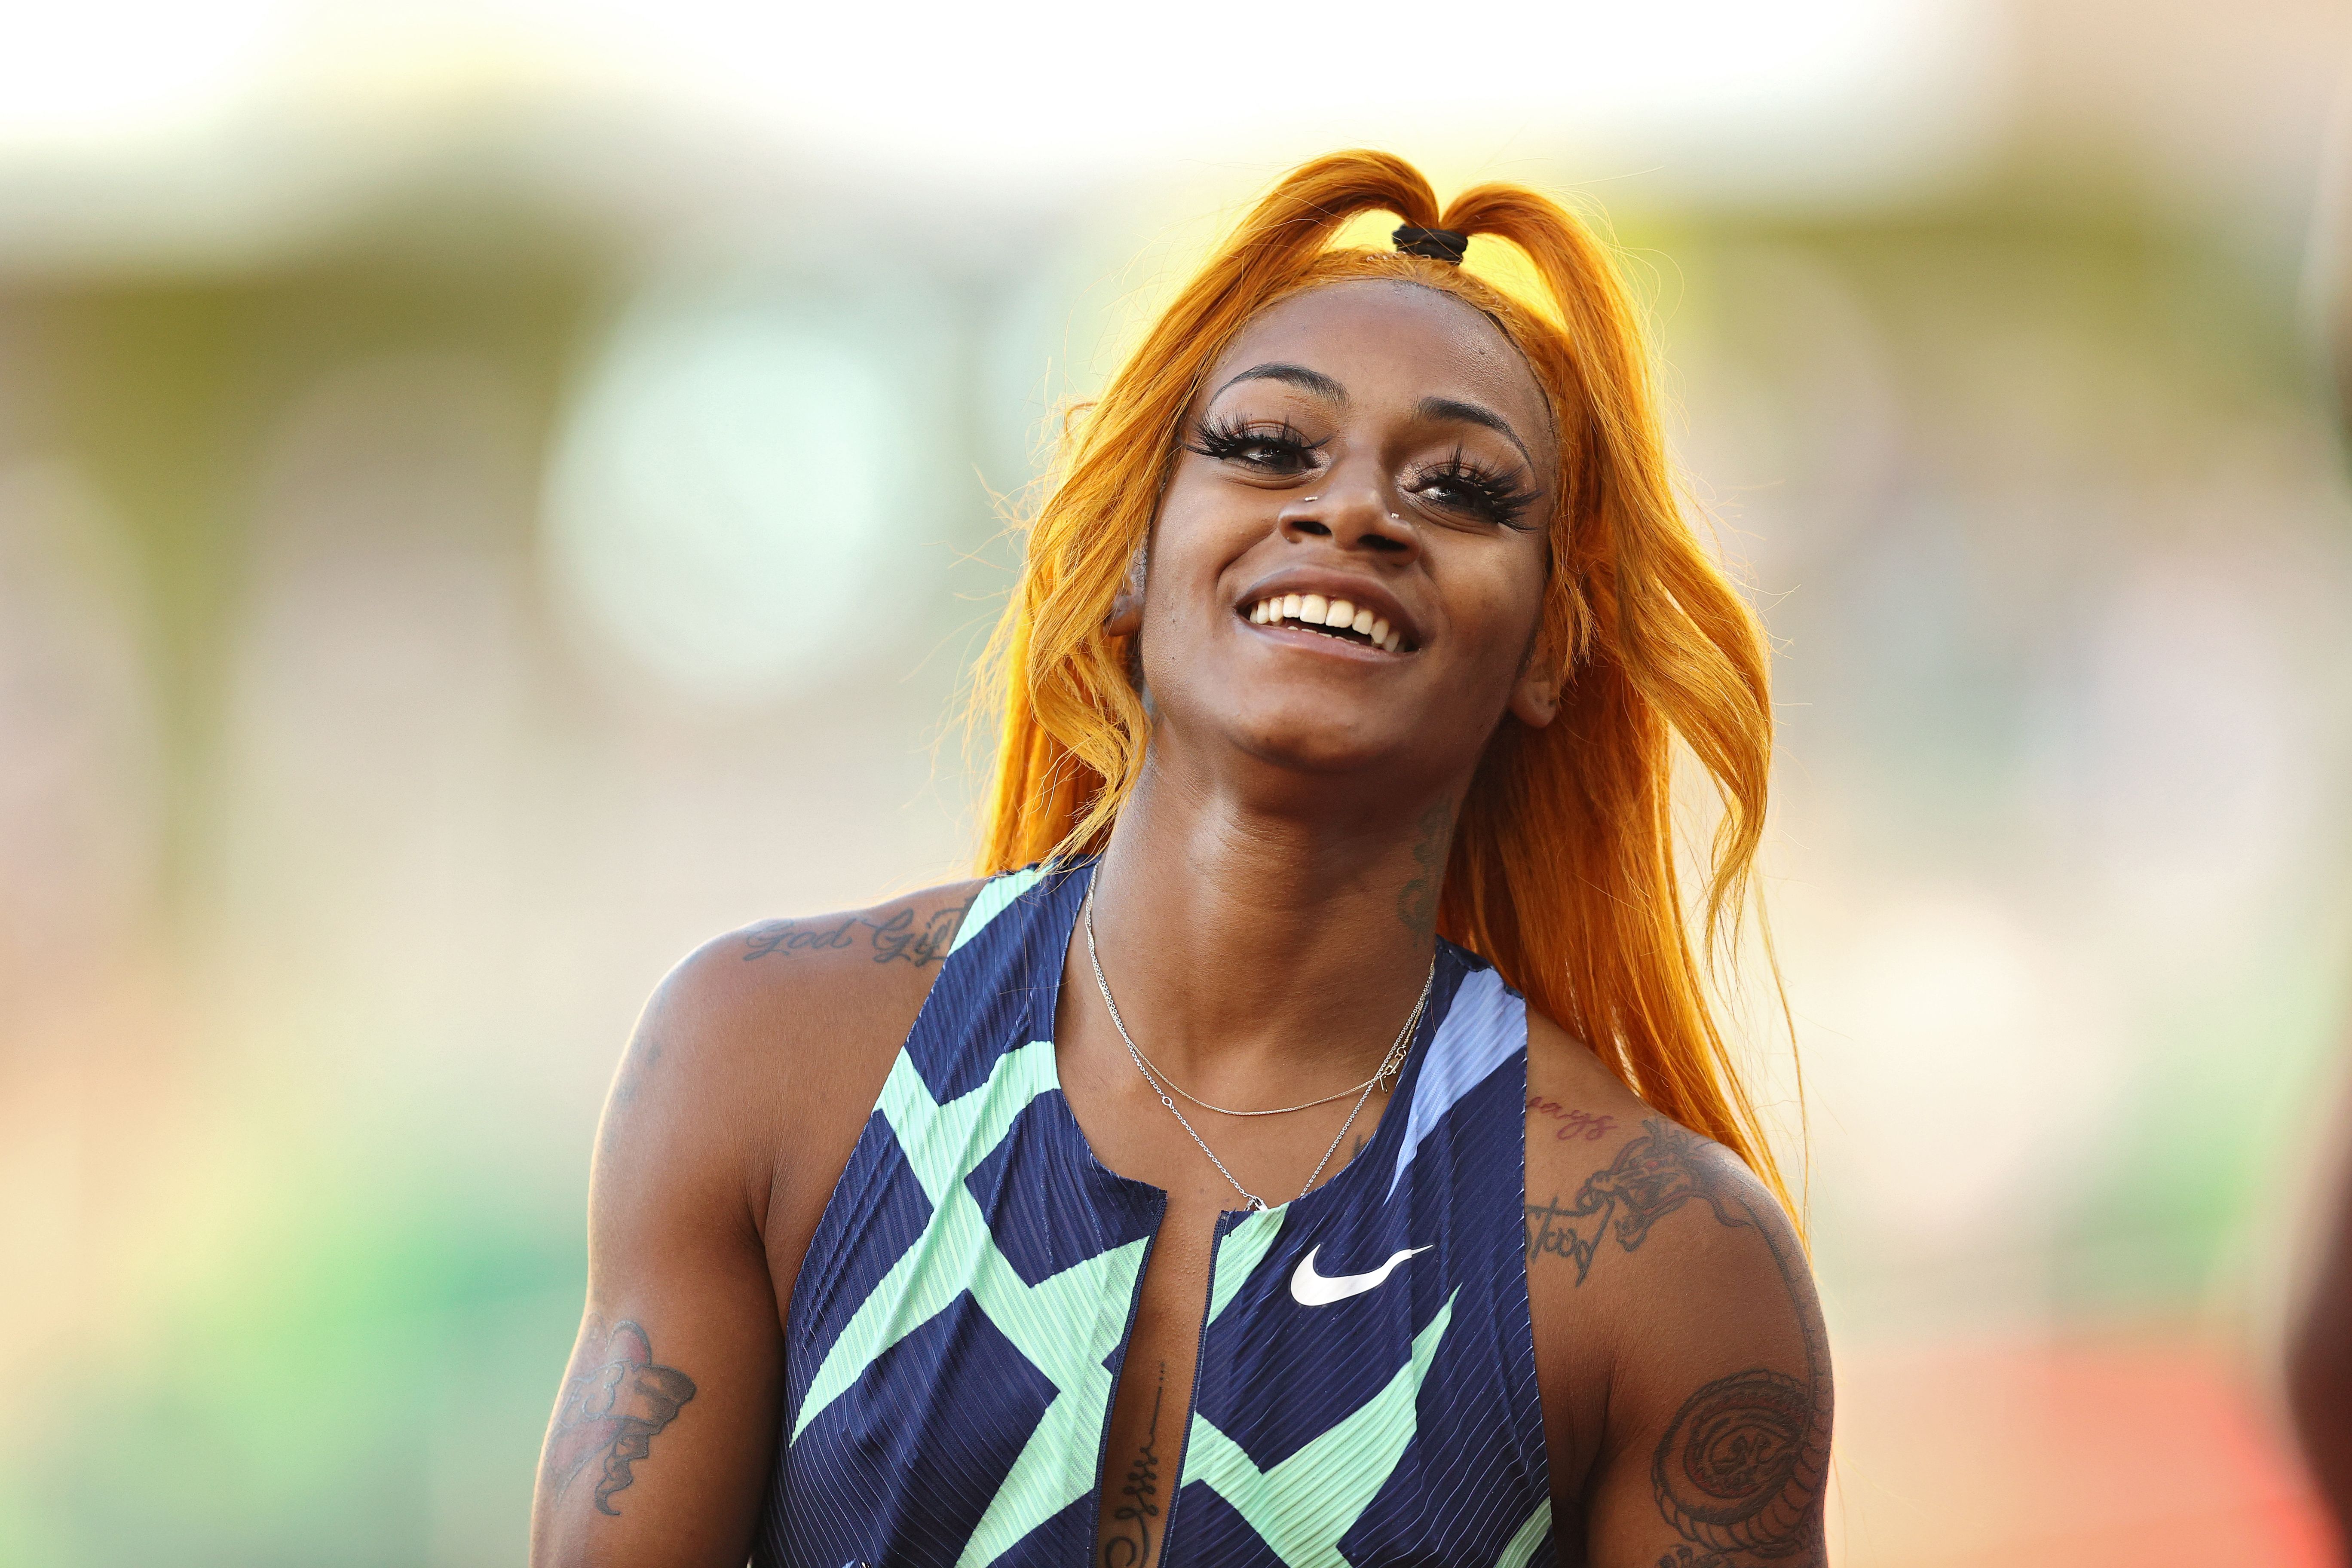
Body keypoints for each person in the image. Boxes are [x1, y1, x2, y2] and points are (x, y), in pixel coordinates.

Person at [528, 150, 1831, 1568]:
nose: (1352, 512)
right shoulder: (767, 1062)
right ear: (1134, 555)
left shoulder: (1661, 1265)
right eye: (1269, 447)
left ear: (1551, 646)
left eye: (1460, 490)